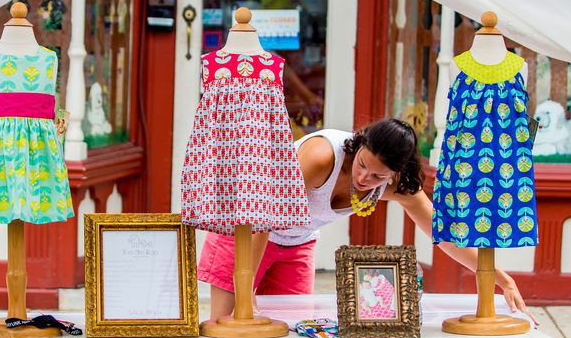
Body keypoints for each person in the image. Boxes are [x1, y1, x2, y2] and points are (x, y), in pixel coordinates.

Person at [197, 118, 534, 323]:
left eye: (377, 177)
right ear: (358, 145)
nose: (364, 179)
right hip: (245, 234)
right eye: (361, 165)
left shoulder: (397, 188)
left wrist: (500, 277)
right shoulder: (320, 157)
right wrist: (247, 287)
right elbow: (263, 217)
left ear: (395, 176)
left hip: (297, 243)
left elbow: (441, 233)